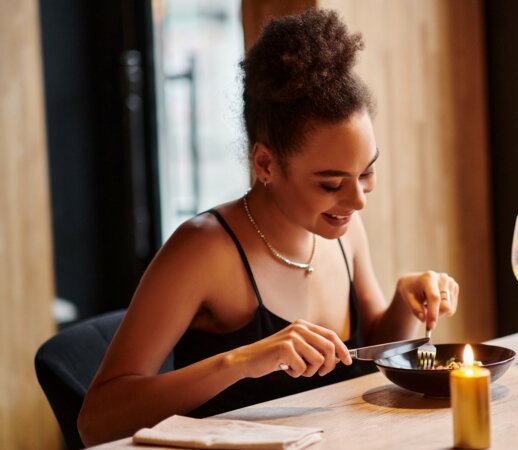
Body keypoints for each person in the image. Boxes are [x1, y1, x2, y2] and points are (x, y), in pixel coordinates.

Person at [78, 9, 459, 446]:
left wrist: (406, 305)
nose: (356, 200)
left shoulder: (343, 230)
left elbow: (374, 354)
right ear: (266, 163)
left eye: (367, 173)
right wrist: (239, 361)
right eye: (331, 182)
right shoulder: (204, 249)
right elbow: (96, 419)